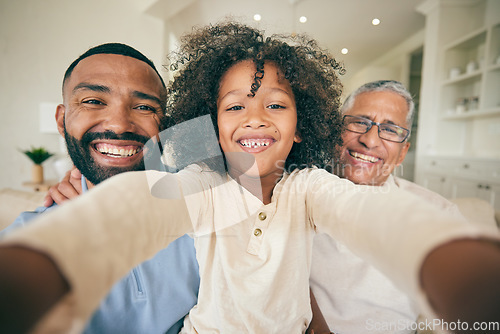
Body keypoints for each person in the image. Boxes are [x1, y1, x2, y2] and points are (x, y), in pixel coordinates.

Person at [1, 22, 499, 334]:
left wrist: (446, 259)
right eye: (235, 106)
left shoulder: (309, 186)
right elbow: (142, 202)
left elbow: (367, 213)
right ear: (212, 126)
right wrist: (56, 247)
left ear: (302, 125)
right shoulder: (199, 178)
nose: (255, 118)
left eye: (276, 106)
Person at [0, 43, 200, 334]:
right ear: (62, 118)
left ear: (164, 125)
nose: (119, 125)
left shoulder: (207, 200)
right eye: (93, 101)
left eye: (144, 107)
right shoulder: (25, 243)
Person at [309, 80, 466, 333]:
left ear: (403, 152)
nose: (370, 140)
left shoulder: (439, 214)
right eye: (359, 122)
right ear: (335, 131)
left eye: (391, 130)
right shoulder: (295, 195)